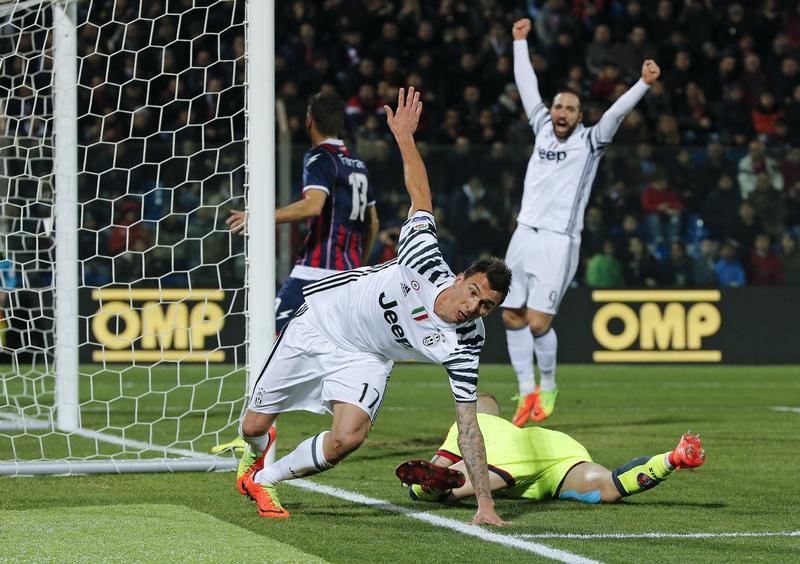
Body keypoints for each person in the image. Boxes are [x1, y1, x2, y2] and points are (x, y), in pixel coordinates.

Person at [235, 87, 512, 525]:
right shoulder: (423, 257)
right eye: (474, 292)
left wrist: (484, 504)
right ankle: (255, 452)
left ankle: (265, 478)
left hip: (368, 356)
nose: (474, 307)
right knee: (252, 427)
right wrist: (404, 137)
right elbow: (421, 193)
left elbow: (468, 423)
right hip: (321, 323)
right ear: (460, 278)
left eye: (486, 306)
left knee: (348, 438)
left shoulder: (466, 344)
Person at [502, 18, 661, 426]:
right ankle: (525, 391)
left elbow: (616, 114)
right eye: (558, 106)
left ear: (579, 116)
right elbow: (526, 86)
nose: (561, 113)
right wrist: (520, 42)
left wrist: (642, 83)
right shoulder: (540, 127)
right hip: (523, 233)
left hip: (558, 240)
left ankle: (549, 384)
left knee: (538, 323)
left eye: (570, 109)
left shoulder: (590, 142)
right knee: (510, 315)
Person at [226, 91, 380, 333]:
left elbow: (312, 205)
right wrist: (359, 263)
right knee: (330, 345)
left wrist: (257, 218)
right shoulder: (358, 163)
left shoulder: (320, 157)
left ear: (309, 121)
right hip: (349, 273)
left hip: (316, 271)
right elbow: (373, 222)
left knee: (271, 334)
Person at [396, 393, 704, 505]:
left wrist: (425, 477)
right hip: (558, 452)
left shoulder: (469, 424)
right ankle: (672, 459)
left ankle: (435, 486)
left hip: (513, 455)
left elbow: (436, 460)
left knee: (436, 490)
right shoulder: (487, 420)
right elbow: (486, 400)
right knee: (607, 486)